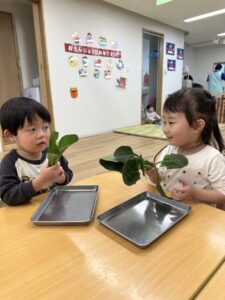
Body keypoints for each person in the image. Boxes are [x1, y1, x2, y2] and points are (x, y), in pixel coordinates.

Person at [147, 88, 225, 210]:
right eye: (164, 122)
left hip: (200, 218)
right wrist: (153, 174)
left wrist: (194, 192)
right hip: (170, 210)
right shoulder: (169, 150)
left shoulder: (212, 158)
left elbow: (222, 195)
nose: (165, 129)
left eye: (171, 122)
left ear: (197, 125)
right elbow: (160, 178)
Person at [0, 97, 73, 206]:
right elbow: (8, 196)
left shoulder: (52, 154)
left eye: (45, 127)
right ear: (10, 135)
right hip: (26, 216)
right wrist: (40, 181)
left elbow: (68, 173)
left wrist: (62, 178)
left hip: (55, 207)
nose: (41, 134)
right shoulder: (10, 163)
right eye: (33, 129)